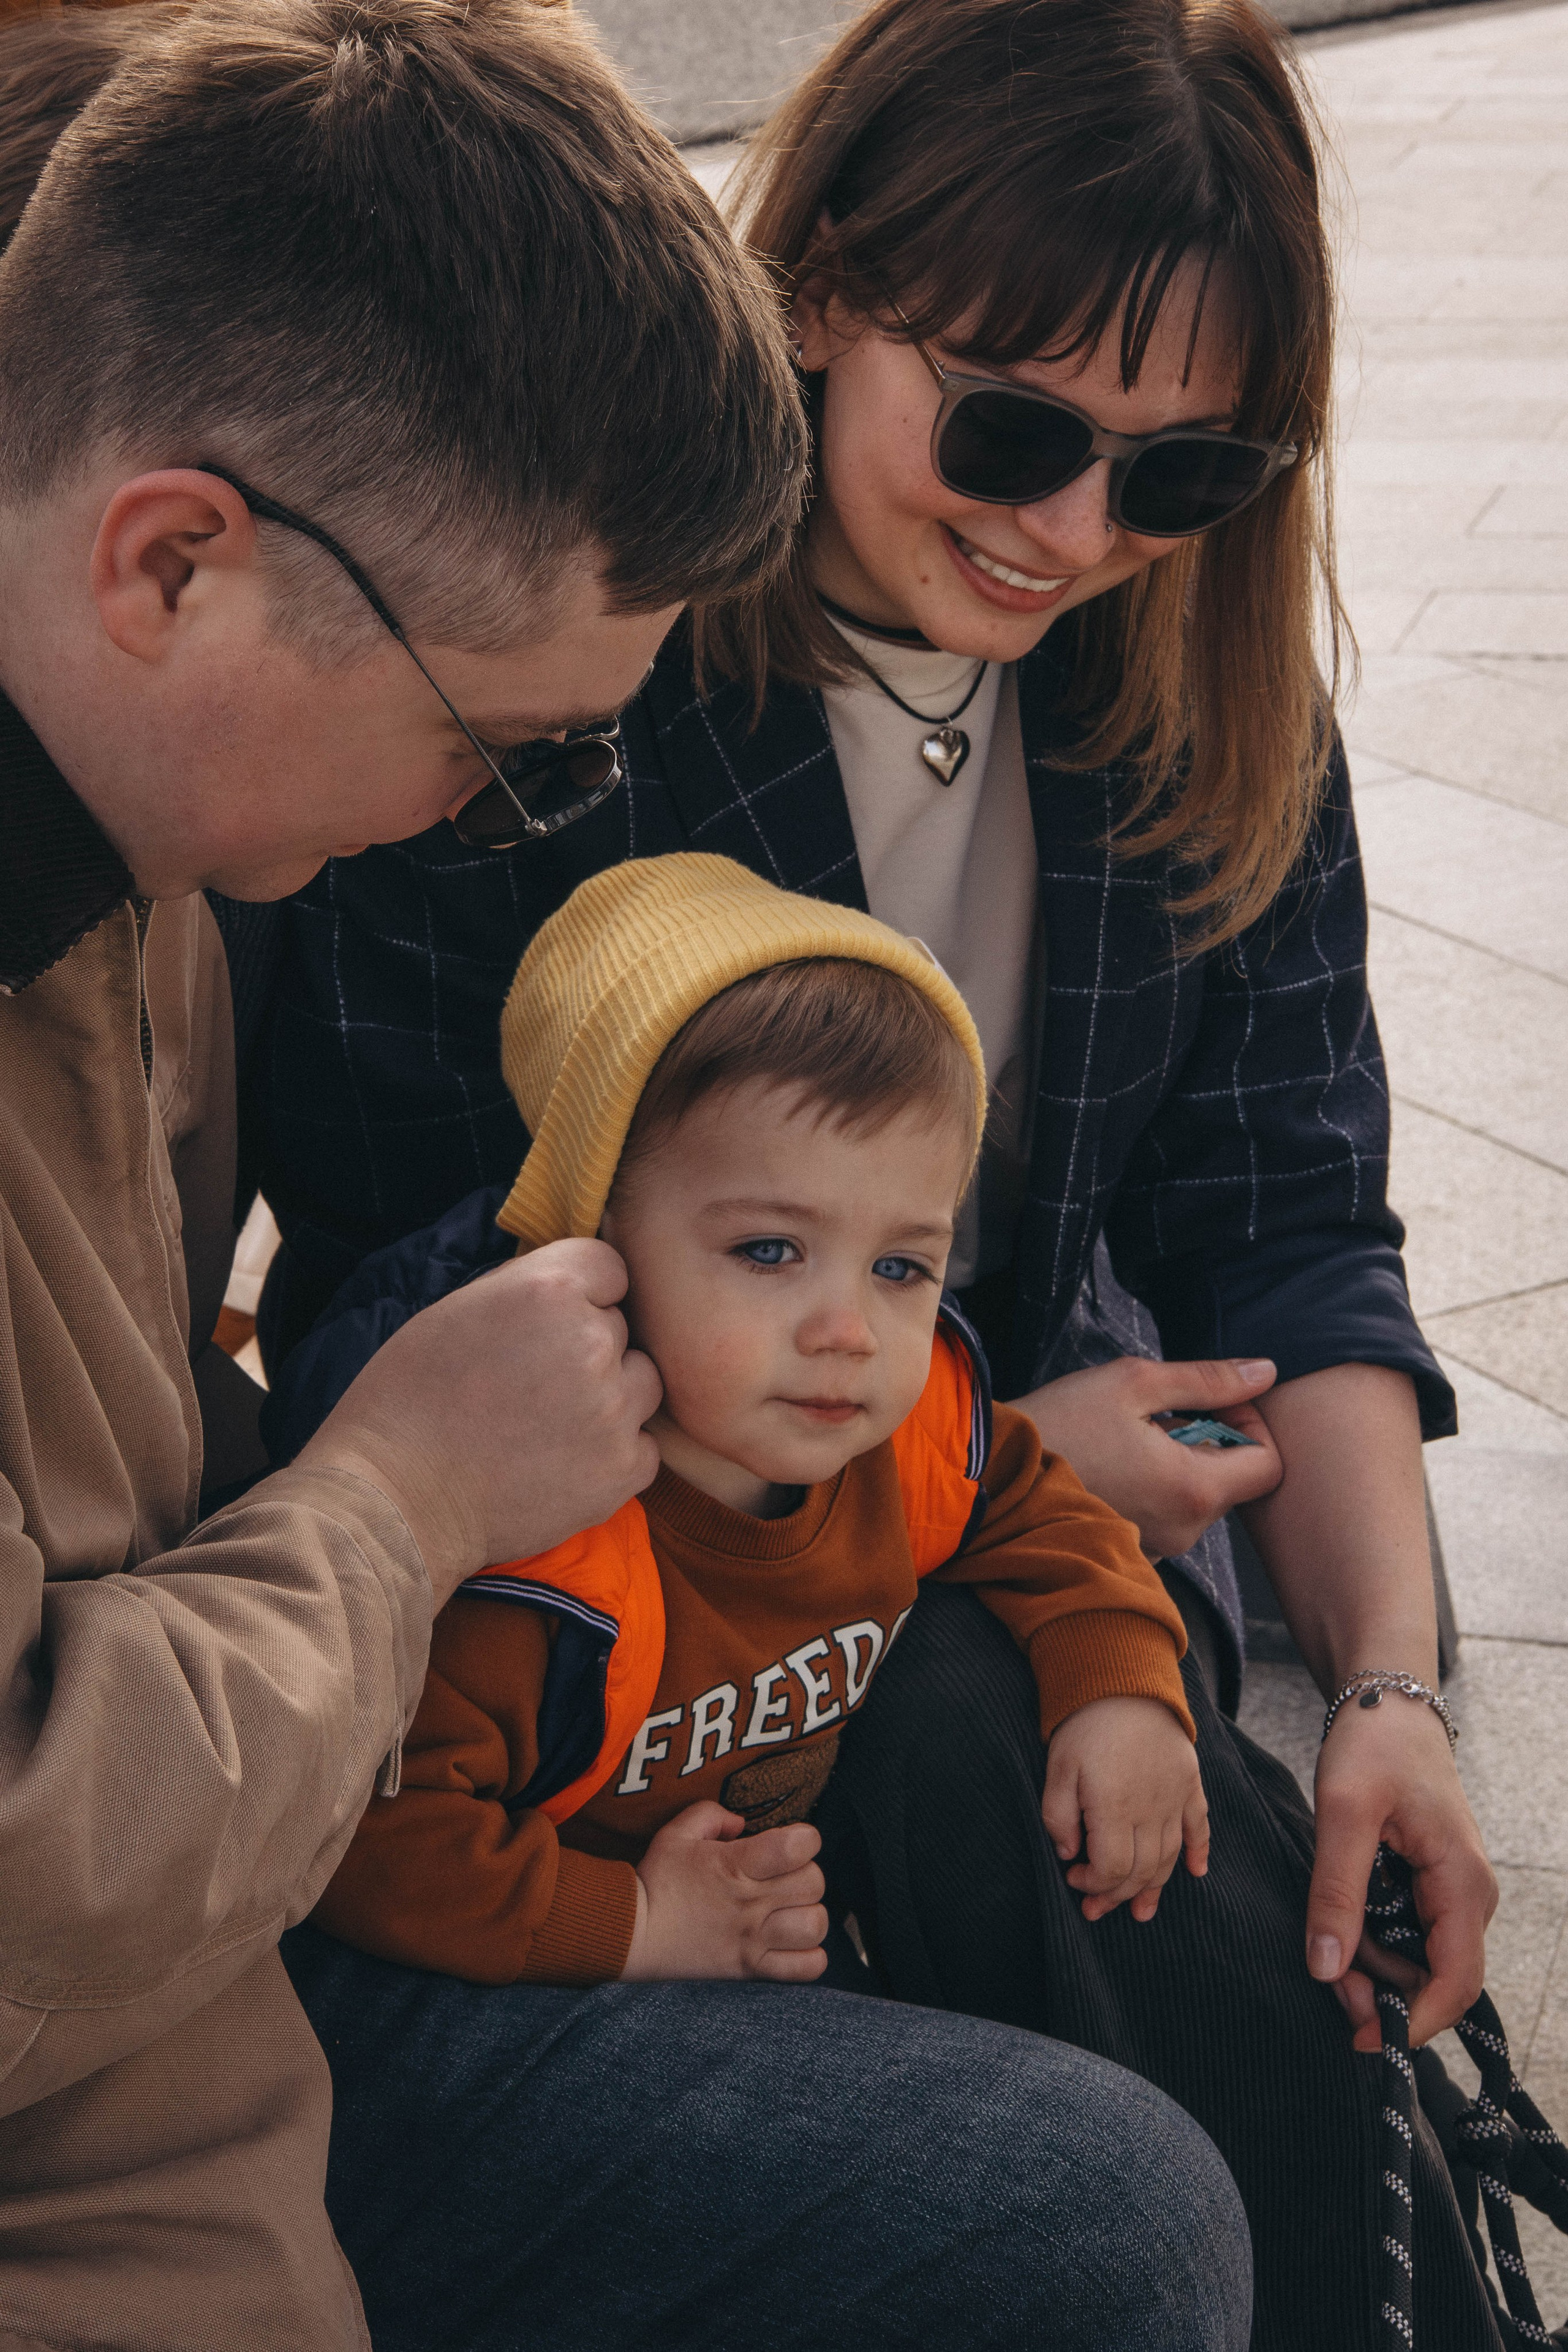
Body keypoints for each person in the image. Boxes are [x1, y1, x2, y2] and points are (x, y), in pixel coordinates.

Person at [235, 0, 1508, 2342]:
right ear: (814, 287)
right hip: (612, 1599)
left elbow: (1296, 1230)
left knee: (1085, 1745)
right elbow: (397, 1255)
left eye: (1183, 473)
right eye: (1009, 427)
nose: (1073, 532)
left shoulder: (1201, 696)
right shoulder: (551, 666)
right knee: (952, 1716)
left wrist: (1398, 1700)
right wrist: (976, 1448)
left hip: (1065, 1534)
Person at [0, 6, 1259, 2350]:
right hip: (141, 2080)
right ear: (170, 563)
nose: (489, 834)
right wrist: (401, 1505)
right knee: (1108, 2224)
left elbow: (1294, 1198)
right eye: (512, 752)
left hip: (236, 1959)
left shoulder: (136, 847)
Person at [307, 855, 1209, 1989]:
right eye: (769, 1251)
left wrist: (1121, 1683)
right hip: (535, 1971)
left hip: (765, 1903)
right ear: (590, 1241)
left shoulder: (909, 1426)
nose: (849, 1330)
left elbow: (1041, 1507)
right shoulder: (536, 1551)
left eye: (900, 1265)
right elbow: (371, 1838)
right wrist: (637, 1922)